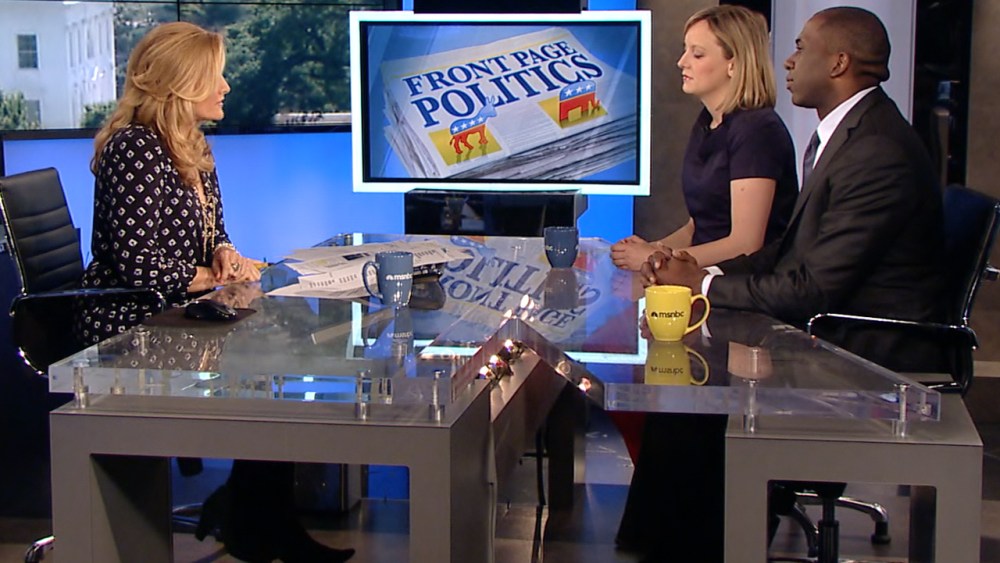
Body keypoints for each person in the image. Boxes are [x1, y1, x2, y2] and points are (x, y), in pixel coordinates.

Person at [629, 7, 945, 561]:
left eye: (801, 48)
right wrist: (700, 273)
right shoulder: (848, 134)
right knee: (680, 400)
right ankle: (667, 543)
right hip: (832, 324)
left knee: (695, 407)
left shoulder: (876, 150)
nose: (789, 62)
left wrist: (702, 283)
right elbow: (792, 254)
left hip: (869, 350)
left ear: (839, 63)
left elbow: (811, 288)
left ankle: (698, 545)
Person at [74, 22, 354, 562]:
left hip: (180, 312)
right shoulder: (135, 149)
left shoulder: (192, 143)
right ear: (180, 84)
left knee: (281, 359)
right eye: (214, 77)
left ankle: (256, 514)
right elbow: (135, 266)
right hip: (129, 324)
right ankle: (254, 516)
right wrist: (212, 278)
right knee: (266, 366)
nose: (225, 87)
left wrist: (223, 252)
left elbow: (214, 230)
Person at [611, 5, 797, 272]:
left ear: (733, 64)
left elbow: (745, 244)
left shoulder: (757, 130)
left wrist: (657, 259)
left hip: (745, 283)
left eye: (697, 54)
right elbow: (698, 227)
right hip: (703, 277)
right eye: (685, 50)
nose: (682, 62)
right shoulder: (707, 123)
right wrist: (653, 249)